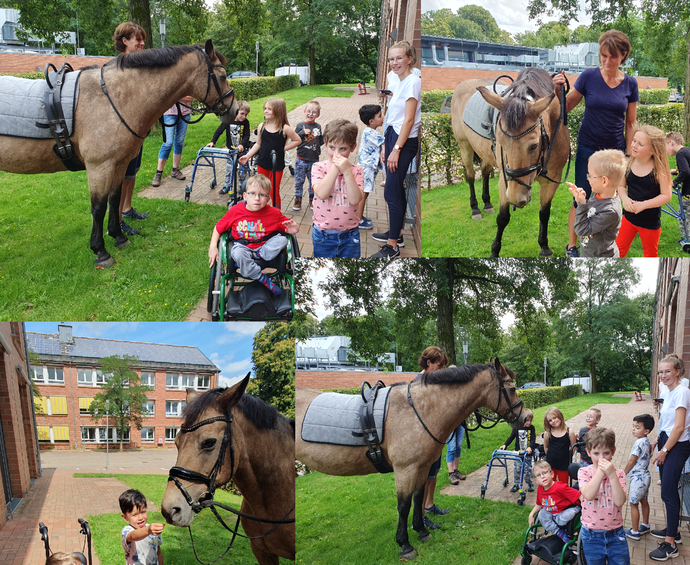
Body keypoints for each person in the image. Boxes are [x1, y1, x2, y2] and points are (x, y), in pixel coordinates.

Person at [553, 30, 638, 258]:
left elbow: (630, 124)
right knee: (581, 196)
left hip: (614, 152)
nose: (607, 61)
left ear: (623, 55)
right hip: (588, 149)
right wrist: (557, 89)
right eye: (603, 56)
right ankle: (573, 245)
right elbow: (566, 107)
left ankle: (604, 245)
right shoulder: (588, 77)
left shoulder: (630, 84)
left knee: (610, 198)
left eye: (613, 56)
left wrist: (628, 155)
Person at [208, 175, 299, 295]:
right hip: (242, 247)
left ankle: (257, 255)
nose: (257, 198)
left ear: (268, 199)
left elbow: (288, 230)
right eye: (252, 194)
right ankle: (261, 277)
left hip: (264, 248)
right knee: (238, 253)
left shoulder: (274, 214)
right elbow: (218, 228)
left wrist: (294, 228)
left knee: (282, 240)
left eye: (262, 195)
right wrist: (213, 246)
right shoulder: (236, 211)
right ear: (245, 196)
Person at [371, 40, 421, 258]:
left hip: (405, 140)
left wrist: (396, 149)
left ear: (409, 58)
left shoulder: (413, 82)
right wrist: (385, 144)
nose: (394, 62)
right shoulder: (394, 79)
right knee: (396, 188)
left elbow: (409, 120)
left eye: (399, 58)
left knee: (391, 189)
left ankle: (392, 247)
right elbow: (391, 114)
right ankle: (397, 232)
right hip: (392, 135)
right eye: (391, 59)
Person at [649, 354, 690, 560]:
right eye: (660, 371)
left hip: (678, 444)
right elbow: (667, 422)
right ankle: (673, 531)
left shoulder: (682, 392)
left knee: (668, 491)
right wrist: (658, 439)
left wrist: (664, 450)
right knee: (667, 490)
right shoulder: (669, 390)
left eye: (667, 371)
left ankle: (670, 544)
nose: (663, 375)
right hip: (667, 438)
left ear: (677, 371)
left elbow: (680, 427)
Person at [112, 22, 148, 236]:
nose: (142, 43)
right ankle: (117, 222)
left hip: (138, 132)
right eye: (138, 40)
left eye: (142, 39)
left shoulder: (139, 66)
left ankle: (127, 209)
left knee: (132, 174)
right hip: (124, 133)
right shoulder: (117, 68)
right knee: (122, 179)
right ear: (125, 41)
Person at [616, 124, 672, 257]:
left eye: (640, 144)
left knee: (650, 254)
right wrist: (625, 199)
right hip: (628, 219)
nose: (634, 145)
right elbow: (620, 186)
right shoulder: (628, 163)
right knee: (618, 251)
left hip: (650, 223)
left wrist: (643, 205)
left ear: (653, 150)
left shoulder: (659, 171)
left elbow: (666, 195)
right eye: (634, 141)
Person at [311, 119, 364, 258]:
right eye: (332, 148)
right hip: (323, 235)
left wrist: (347, 171)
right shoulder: (318, 167)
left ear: (353, 148)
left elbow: (355, 200)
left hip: (350, 236)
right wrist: (335, 167)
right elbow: (322, 194)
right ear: (325, 144)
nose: (337, 154)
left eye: (343, 149)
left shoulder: (357, 170)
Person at [578, 427, 629, 565]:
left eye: (606, 453)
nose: (601, 458)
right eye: (596, 453)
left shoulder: (619, 474)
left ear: (613, 452)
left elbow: (619, 502)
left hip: (616, 534)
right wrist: (601, 472)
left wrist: (612, 474)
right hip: (591, 535)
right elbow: (588, 495)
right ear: (588, 452)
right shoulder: (584, 472)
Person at [239, 98, 301, 208]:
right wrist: (248, 156)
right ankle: (262, 210)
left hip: (276, 165)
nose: (265, 111)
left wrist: (283, 148)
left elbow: (298, 140)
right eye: (265, 108)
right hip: (262, 162)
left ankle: (276, 214)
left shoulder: (285, 128)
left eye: (269, 109)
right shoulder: (261, 126)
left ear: (278, 110)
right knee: (261, 189)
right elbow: (258, 144)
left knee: (273, 191)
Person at [566, 149, 626, 257]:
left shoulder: (610, 211)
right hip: (589, 252)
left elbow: (582, 230)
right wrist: (583, 199)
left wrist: (581, 204)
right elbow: (593, 210)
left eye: (590, 175)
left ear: (604, 181)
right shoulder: (599, 193)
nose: (588, 179)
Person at [416, 346, 450, 530]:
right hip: (424, 441)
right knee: (423, 478)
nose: (442, 370)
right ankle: (420, 516)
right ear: (428, 363)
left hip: (436, 439)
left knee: (433, 474)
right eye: (439, 366)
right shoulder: (417, 384)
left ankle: (429, 505)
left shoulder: (435, 382)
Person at [528, 460, 581, 543]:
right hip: (551, 513)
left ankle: (556, 522)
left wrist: (585, 507)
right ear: (536, 481)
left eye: (545, 473)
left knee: (570, 513)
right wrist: (531, 515)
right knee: (541, 514)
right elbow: (539, 504)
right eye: (539, 475)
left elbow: (578, 495)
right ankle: (559, 532)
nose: (542, 476)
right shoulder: (540, 489)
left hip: (565, 511)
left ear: (552, 474)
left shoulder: (560, 487)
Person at [206, 100, 251, 195]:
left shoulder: (246, 123)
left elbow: (247, 135)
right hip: (230, 151)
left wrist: (242, 144)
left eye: (246, 114)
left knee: (242, 169)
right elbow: (219, 131)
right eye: (242, 113)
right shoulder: (228, 121)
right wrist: (212, 142)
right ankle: (227, 186)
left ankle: (241, 186)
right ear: (235, 111)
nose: (244, 116)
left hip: (241, 151)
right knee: (229, 169)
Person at [624, 413, 654, 541]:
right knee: (644, 501)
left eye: (637, 427)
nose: (633, 429)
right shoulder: (646, 441)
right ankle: (645, 525)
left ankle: (635, 532)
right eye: (633, 426)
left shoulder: (638, 443)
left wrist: (623, 473)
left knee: (633, 503)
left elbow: (632, 460)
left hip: (638, 478)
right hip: (645, 476)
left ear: (646, 431)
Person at [151, 97, 193, 187]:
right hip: (169, 114)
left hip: (184, 114)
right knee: (168, 143)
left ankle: (175, 170)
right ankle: (158, 173)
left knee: (179, 142)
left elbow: (191, 98)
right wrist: (180, 97)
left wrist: (177, 96)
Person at [357, 104, 385, 230]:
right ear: (371, 121)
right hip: (367, 167)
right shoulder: (371, 133)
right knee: (364, 193)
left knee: (364, 193)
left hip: (367, 166)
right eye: (380, 116)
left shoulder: (370, 131)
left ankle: (359, 215)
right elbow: (387, 142)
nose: (382, 118)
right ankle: (358, 219)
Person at [292, 100, 324, 211]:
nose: (311, 114)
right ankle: (298, 199)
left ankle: (312, 199)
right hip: (301, 159)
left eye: (314, 112)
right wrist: (302, 133)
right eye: (309, 111)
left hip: (314, 160)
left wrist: (327, 137)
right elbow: (294, 138)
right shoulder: (300, 125)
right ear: (304, 111)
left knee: (313, 182)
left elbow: (320, 141)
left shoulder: (318, 126)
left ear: (318, 115)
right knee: (299, 181)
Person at [119, 489, 164, 565]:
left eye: (143, 512)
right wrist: (148, 530)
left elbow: (158, 552)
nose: (140, 518)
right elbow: (132, 536)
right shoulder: (127, 530)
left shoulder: (152, 530)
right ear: (125, 517)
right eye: (134, 515)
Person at [500, 408, 536, 492]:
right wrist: (505, 445)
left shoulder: (532, 428)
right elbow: (511, 437)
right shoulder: (517, 428)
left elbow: (533, 439)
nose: (529, 422)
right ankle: (516, 484)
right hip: (517, 454)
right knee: (517, 469)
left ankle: (529, 483)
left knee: (527, 471)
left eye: (531, 420)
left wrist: (530, 447)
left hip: (527, 454)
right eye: (527, 420)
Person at [665, 132, 690, 241]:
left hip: (688, 193)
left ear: (671, 142)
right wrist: (675, 171)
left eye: (665, 146)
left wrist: (672, 183)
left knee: (683, 216)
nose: (665, 151)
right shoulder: (687, 150)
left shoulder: (680, 154)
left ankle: (686, 240)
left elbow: (685, 172)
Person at [543, 406, 577, 483]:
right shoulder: (548, 433)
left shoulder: (569, 432)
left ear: (560, 416)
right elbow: (546, 447)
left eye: (555, 418)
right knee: (550, 484)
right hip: (551, 464)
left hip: (563, 465)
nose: (553, 421)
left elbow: (573, 447)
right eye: (550, 420)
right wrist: (550, 456)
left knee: (563, 484)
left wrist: (568, 456)